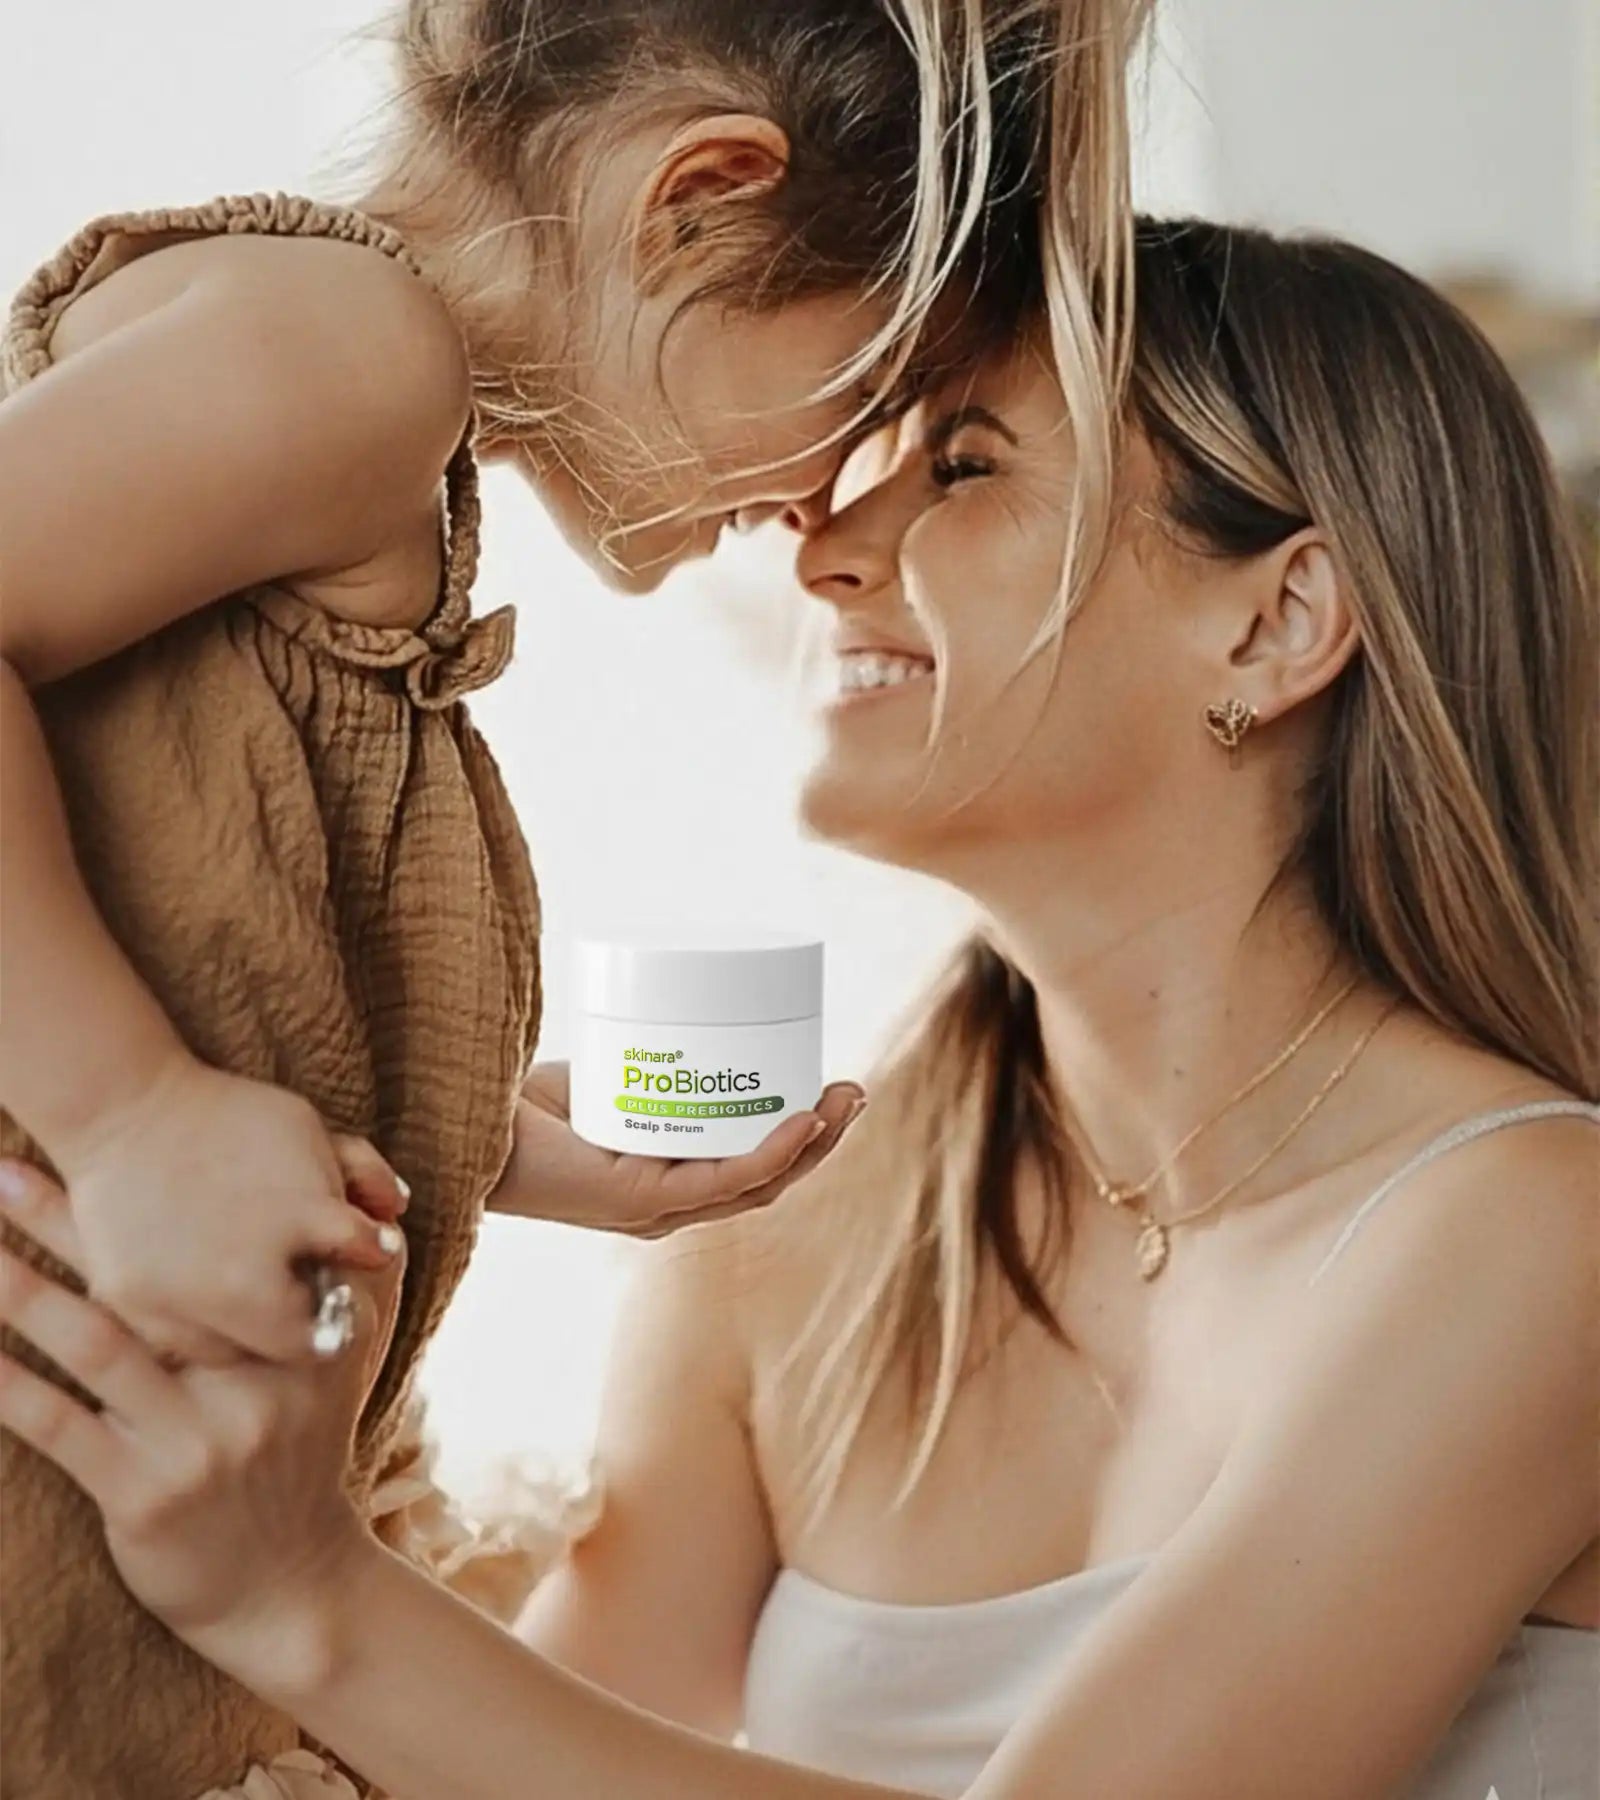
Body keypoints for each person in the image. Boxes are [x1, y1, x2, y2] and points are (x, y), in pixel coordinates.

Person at [2, 216, 1594, 1800]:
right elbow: (499, 1755)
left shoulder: (1541, 1233)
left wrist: (311, 1600)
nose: (823, 545)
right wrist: (369, 1165)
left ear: (1277, 620)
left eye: (961, 469)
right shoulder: (796, 1231)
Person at [0, 2, 1151, 1792]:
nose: (817, 506)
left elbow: (175, 904)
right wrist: (126, 1110)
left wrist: (483, 1143)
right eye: (865, 392)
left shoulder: (350, 434)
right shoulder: (356, 353)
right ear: (698, 199)